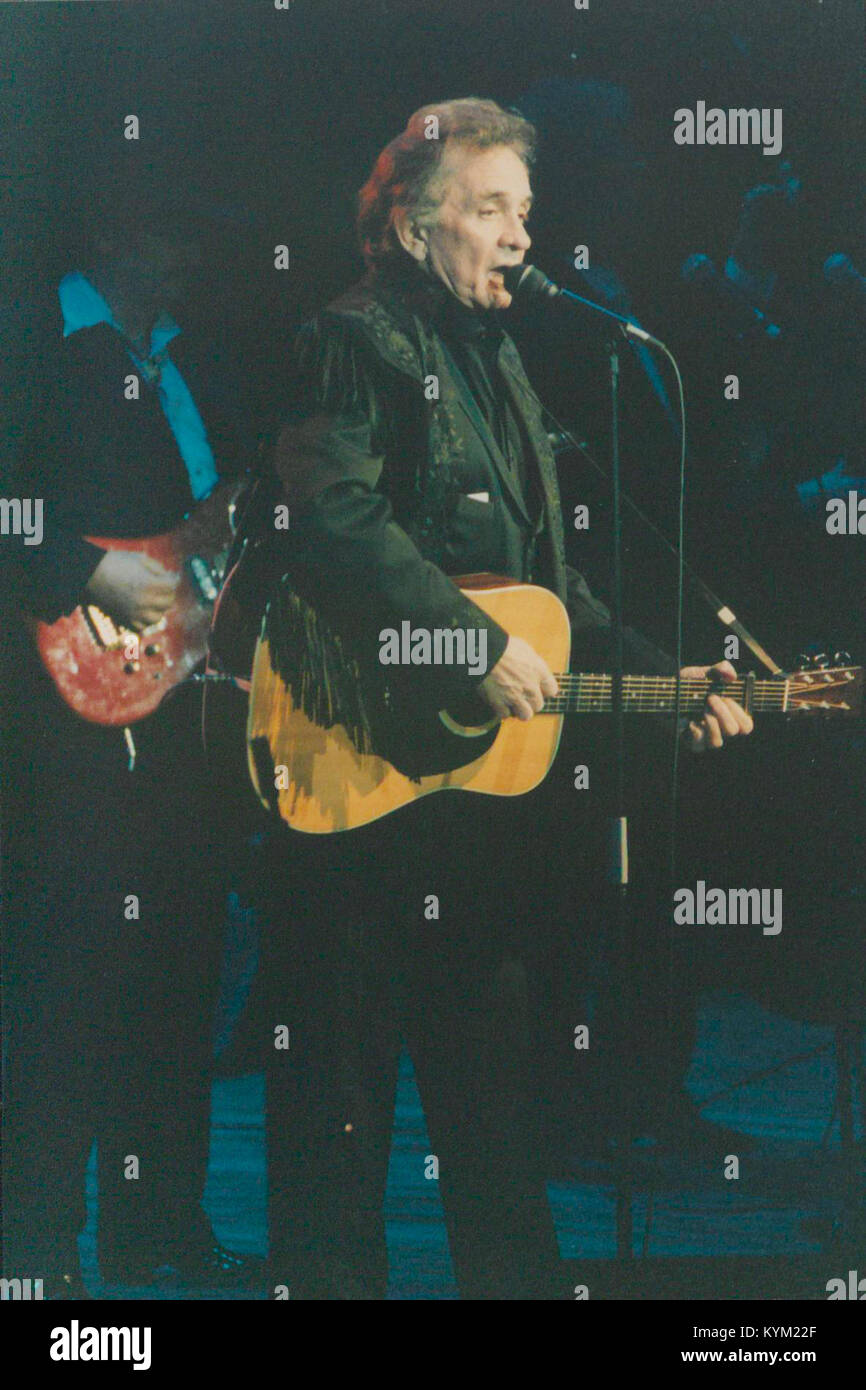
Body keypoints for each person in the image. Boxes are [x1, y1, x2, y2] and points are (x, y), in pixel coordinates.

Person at [257, 98, 753, 1300]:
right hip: (356, 785)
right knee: (338, 1133)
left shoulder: (503, 362)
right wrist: (462, 643)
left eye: (524, 210)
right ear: (414, 225)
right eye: (489, 210)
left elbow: (549, 586)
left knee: (494, 1127)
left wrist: (657, 675)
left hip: (476, 824)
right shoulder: (350, 338)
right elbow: (332, 520)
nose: (520, 235)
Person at [1, 198, 258, 1294]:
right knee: (66, 990)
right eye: (172, 228)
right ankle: (41, 1247)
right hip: (61, 726)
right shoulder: (32, 344)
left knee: (176, 979)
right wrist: (95, 573)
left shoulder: (177, 365)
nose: (193, 250)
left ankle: (159, 1227)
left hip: (183, 717)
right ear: (110, 231)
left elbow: (195, 529)